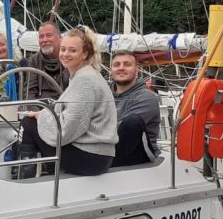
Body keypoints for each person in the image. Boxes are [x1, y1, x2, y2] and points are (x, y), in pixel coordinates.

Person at [18, 27, 117, 177]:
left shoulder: (85, 80)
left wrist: (42, 116)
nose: (65, 54)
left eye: (72, 50)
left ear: (84, 54)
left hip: (91, 157)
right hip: (98, 155)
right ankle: (51, 174)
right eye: (63, 49)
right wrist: (44, 114)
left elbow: (70, 127)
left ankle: (27, 179)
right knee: (34, 122)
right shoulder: (85, 76)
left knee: (28, 123)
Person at [110, 50, 160, 166]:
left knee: (132, 121)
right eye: (116, 65)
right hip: (108, 150)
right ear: (111, 70)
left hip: (139, 156)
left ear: (136, 70)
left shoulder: (146, 97)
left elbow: (122, 130)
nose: (121, 68)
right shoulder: (103, 94)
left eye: (127, 64)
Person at [25, 22, 71, 102]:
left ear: (60, 37)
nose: (44, 40)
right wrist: (36, 109)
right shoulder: (34, 60)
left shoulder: (69, 58)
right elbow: (29, 92)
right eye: (41, 37)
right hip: (40, 106)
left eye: (49, 35)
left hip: (65, 106)